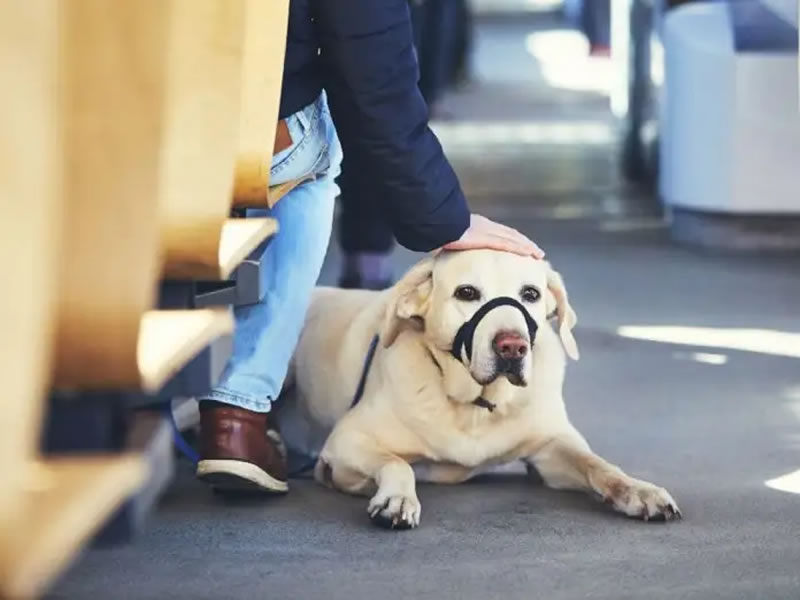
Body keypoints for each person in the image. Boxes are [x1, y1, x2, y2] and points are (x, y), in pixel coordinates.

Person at [195, 0, 544, 495]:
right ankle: (238, 409)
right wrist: (441, 216)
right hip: (237, 133)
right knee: (311, 152)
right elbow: (372, 74)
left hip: (96, 124)